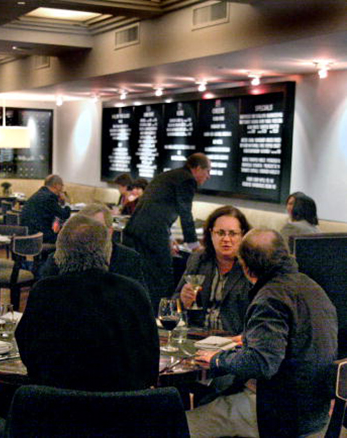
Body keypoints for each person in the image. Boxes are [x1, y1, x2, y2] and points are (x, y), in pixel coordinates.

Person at [193, 229, 337, 438]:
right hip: (315, 412)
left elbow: (261, 363)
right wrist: (249, 338)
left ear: (246, 266)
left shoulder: (270, 298)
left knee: (179, 424)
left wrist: (217, 360)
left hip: (279, 412)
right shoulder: (312, 287)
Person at [16, 214, 160, 391]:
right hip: (122, 404)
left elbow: (28, 352)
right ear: (107, 253)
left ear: (59, 253)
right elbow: (150, 362)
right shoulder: (133, 292)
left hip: (56, 404)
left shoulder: (44, 292)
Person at [123, 153, 211, 305]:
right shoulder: (187, 180)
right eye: (207, 171)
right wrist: (194, 245)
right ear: (197, 168)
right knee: (162, 277)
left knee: (145, 277)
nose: (208, 176)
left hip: (136, 230)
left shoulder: (170, 175)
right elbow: (185, 212)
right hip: (152, 234)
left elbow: (158, 207)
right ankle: (162, 313)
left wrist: (169, 237)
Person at [39, 202, 150, 293]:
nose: (89, 233)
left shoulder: (129, 259)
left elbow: (140, 300)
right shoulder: (58, 258)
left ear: (110, 232)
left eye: (97, 229)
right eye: (83, 228)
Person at [175, 205, 252, 334]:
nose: (226, 239)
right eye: (220, 233)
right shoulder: (199, 260)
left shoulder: (250, 265)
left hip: (234, 340)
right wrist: (182, 299)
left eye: (233, 234)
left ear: (243, 235)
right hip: (198, 335)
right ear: (211, 234)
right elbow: (175, 301)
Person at [20, 174, 71, 244]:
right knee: (68, 238)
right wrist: (67, 202)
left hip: (28, 231)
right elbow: (64, 215)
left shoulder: (41, 193)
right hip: (38, 235)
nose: (62, 188)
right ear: (56, 185)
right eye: (62, 185)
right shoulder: (49, 197)